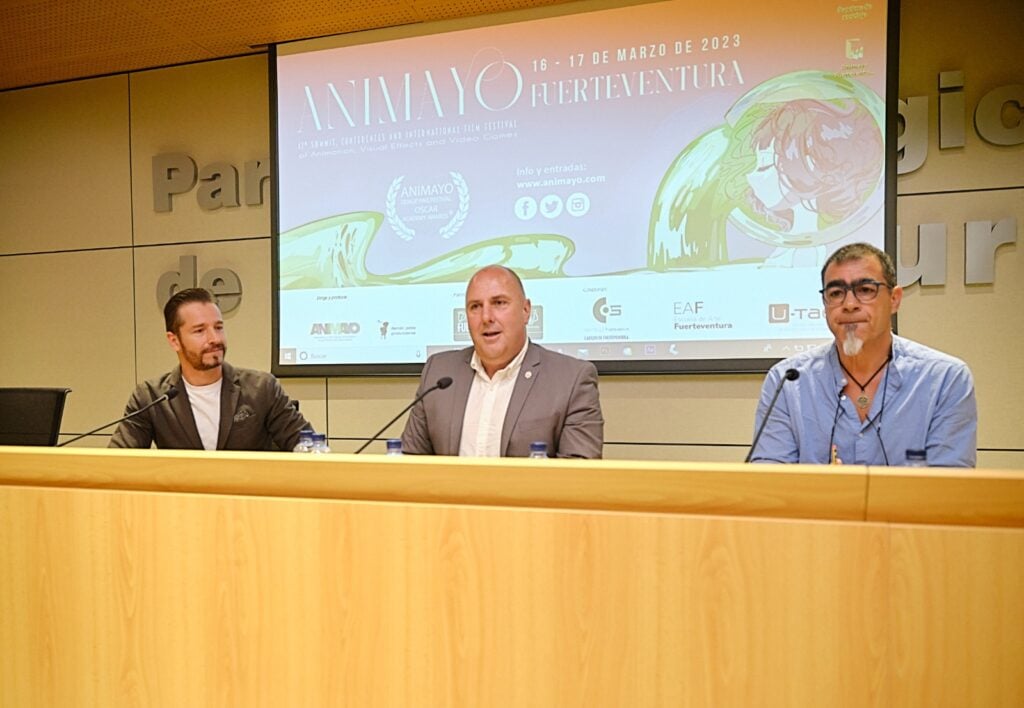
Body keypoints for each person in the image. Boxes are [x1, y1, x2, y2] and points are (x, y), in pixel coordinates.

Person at [749, 242, 977, 466]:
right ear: (824, 304)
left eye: (865, 290)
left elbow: (949, 484)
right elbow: (769, 482)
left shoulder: (944, 379)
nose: (849, 304)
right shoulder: (788, 382)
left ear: (894, 299)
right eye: (836, 293)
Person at [400, 265, 604, 458]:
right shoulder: (439, 373)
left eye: (499, 303)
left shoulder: (571, 380)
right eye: (475, 307)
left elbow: (578, 475)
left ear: (526, 311)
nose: (486, 317)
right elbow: (408, 464)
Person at [110, 288, 311, 450]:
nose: (214, 338)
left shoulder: (262, 388)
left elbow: (310, 448)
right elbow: (117, 462)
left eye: (218, 327)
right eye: (199, 331)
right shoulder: (151, 397)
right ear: (174, 341)